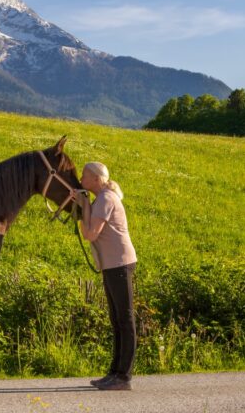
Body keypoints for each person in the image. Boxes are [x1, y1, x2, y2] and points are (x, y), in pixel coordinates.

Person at [78, 161, 136, 391]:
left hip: (119, 264)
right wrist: (84, 205)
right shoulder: (102, 198)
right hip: (113, 265)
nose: (81, 180)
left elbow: (90, 234)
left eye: (84, 176)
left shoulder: (105, 199)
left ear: (95, 179)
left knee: (125, 319)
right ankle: (115, 373)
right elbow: (89, 232)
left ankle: (123, 377)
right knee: (117, 320)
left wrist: (83, 205)